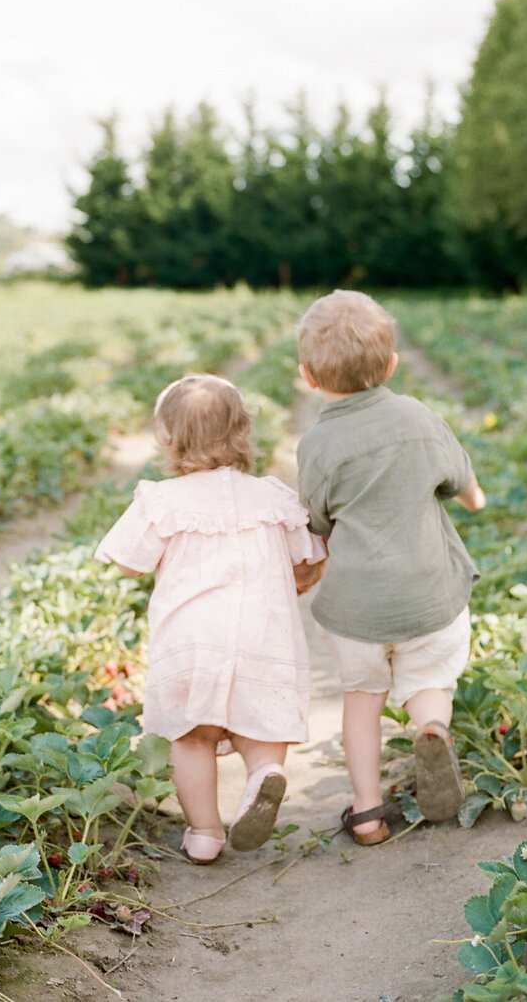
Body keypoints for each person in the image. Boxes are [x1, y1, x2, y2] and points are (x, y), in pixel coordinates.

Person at [95, 374, 326, 864]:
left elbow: (124, 559)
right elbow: (307, 555)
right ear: (244, 431)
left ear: (167, 438)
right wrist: (300, 578)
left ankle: (204, 833)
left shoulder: (161, 501)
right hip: (264, 637)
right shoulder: (272, 497)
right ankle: (263, 774)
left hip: (191, 640)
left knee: (192, 737)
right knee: (262, 728)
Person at [295, 290, 486, 845]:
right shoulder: (419, 417)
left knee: (361, 701)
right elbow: (462, 483)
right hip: (430, 597)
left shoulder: (318, 444)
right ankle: (432, 729)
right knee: (429, 681)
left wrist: (307, 570)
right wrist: (478, 500)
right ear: (393, 364)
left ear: (308, 375)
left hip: (355, 611)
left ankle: (367, 812)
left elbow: (318, 520)